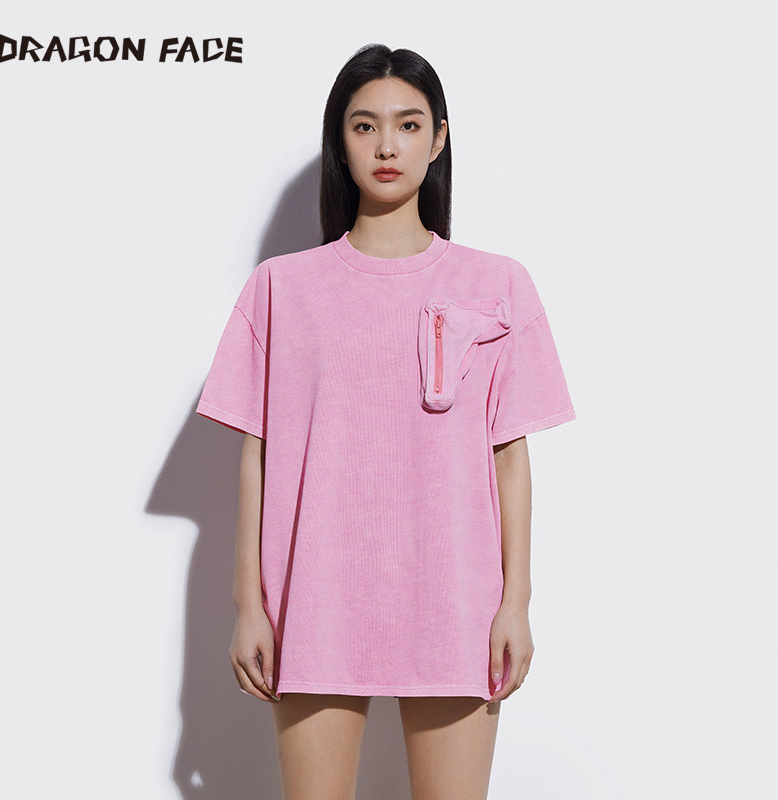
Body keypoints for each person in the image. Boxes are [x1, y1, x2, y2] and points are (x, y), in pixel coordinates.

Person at [196, 43, 576, 800]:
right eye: (364, 126)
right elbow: (257, 455)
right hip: (316, 600)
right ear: (340, 142)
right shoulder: (280, 288)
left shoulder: (498, 282)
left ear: (438, 139)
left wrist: (516, 603)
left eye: (408, 124)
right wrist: (249, 606)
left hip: (457, 600)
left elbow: (510, 458)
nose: (387, 146)